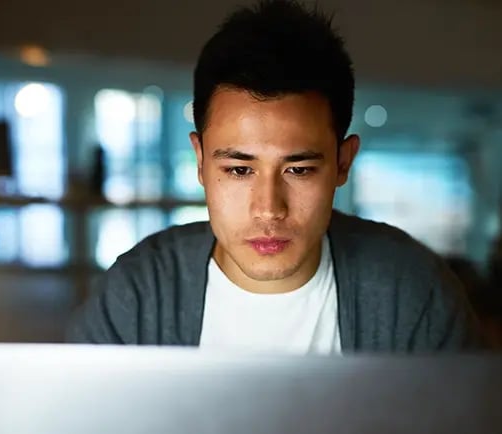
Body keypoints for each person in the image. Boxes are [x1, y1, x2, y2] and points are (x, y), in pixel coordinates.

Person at [68, 0, 482, 352]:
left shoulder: (412, 292)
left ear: (342, 163)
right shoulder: (138, 294)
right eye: (239, 169)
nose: (268, 208)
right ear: (200, 160)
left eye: (298, 169)